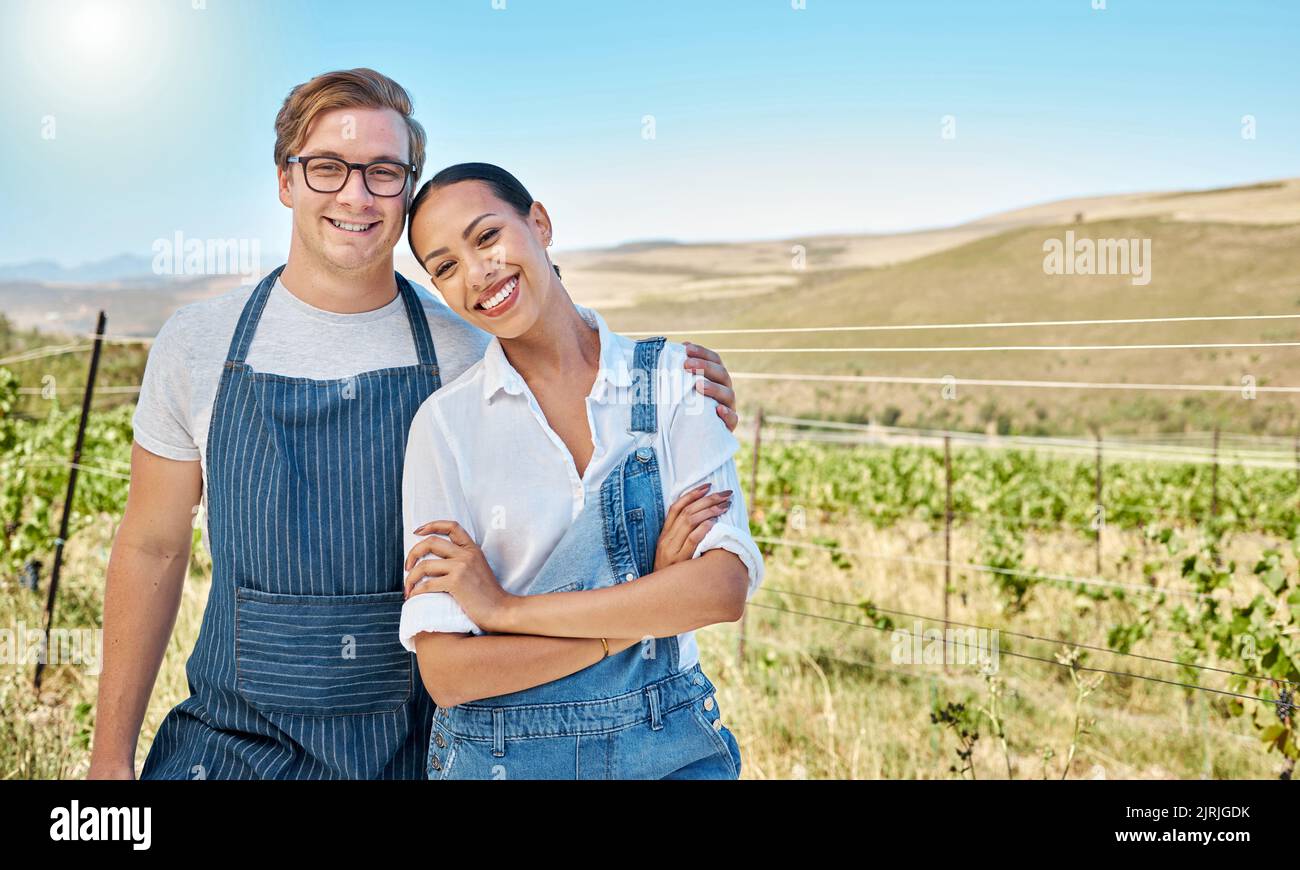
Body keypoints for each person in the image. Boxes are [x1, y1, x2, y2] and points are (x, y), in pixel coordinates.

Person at [88, 69, 741, 780]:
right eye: (328, 168)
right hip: (233, 743)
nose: (355, 194)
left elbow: (571, 374)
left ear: (405, 193)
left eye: (383, 172)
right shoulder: (198, 343)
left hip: (417, 747)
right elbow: (152, 548)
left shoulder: (473, 348)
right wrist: (109, 756)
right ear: (286, 180)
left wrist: (669, 376)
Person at [399, 163, 764, 779]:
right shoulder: (444, 427)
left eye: (486, 237)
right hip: (500, 758)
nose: (477, 272)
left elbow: (721, 589)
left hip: (669, 748)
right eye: (445, 266)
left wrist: (504, 612)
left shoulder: (677, 379)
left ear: (539, 223)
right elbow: (450, 674)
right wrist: (642, 609)